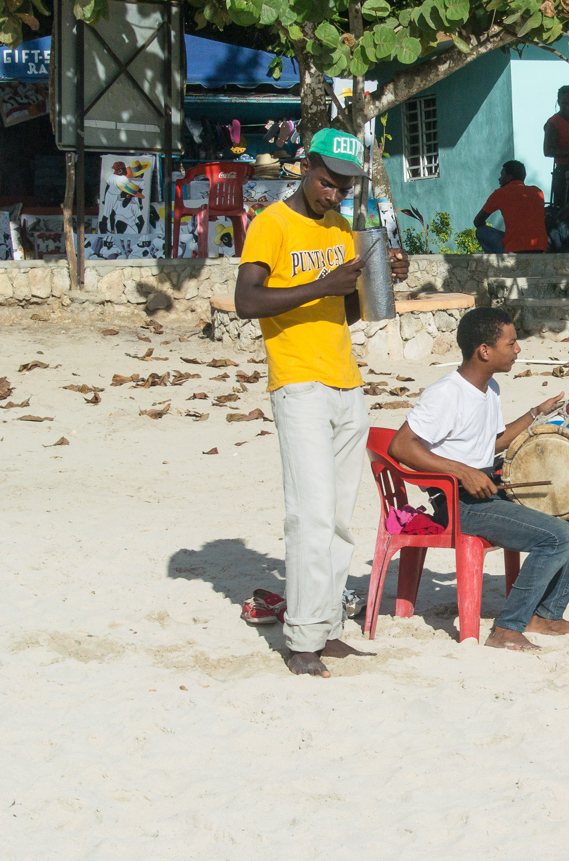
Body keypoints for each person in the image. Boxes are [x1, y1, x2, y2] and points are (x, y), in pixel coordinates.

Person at [234, 127, 410, 678]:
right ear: (306, 167)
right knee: (309, 514)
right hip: (298, 382)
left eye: (345, 188)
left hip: (345, 381)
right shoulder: (272, 223)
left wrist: (383, 281)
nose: (335, 195)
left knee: (337, 519)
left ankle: (328, 627)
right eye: (328, 183)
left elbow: (345, 312)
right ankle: (302, 640)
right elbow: (247, 301)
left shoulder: (340, 229)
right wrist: (323, 285)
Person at [388, 307, 569, 652]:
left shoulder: (490, 388)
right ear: (484, 350)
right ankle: (506, 628)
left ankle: (545, 615)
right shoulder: (447, 393)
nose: (517, 349)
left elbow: (491, 442)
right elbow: (401, 445)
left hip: (489, 489)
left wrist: (537, 414)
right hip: (458, 503)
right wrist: (461, 471)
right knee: (558, 536)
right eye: (511, 342)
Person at [473, 160, 548, 255]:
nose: (499, 179)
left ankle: (497, 264)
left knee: (481, 231)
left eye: (502, 175)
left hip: (514, 250)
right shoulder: (538, 192)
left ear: (508, 178)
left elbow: (477, 222)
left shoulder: (500, 193)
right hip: (539, 249)